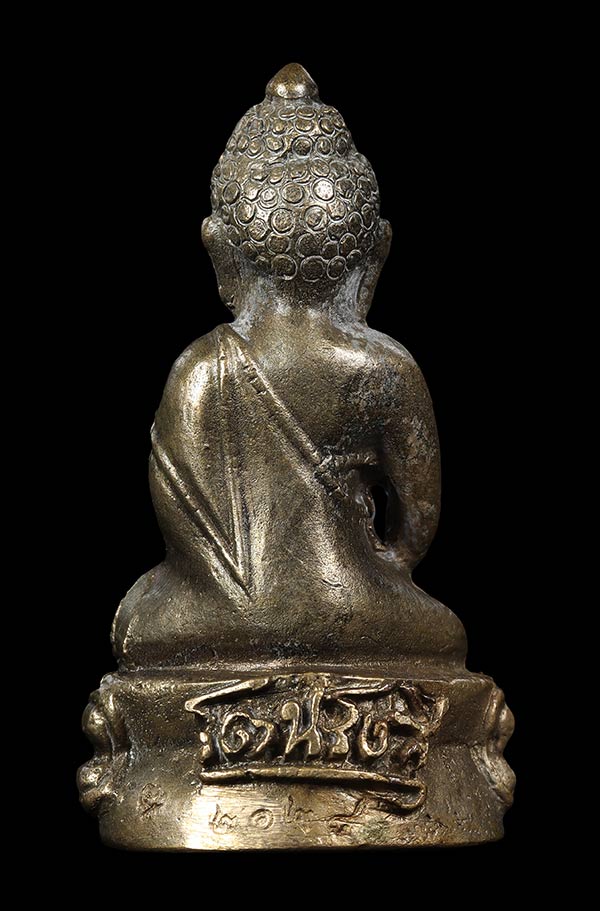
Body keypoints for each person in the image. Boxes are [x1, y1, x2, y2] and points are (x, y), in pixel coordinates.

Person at [112, 64, 466, 671]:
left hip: (215, 621)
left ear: (218, 251)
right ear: (376, 254)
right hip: (349, 602)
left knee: (138, 618)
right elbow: (415, 530)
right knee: (443, 632)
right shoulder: (386, 368)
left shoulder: (196, 370)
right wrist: (375, 570)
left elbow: (185, 544)